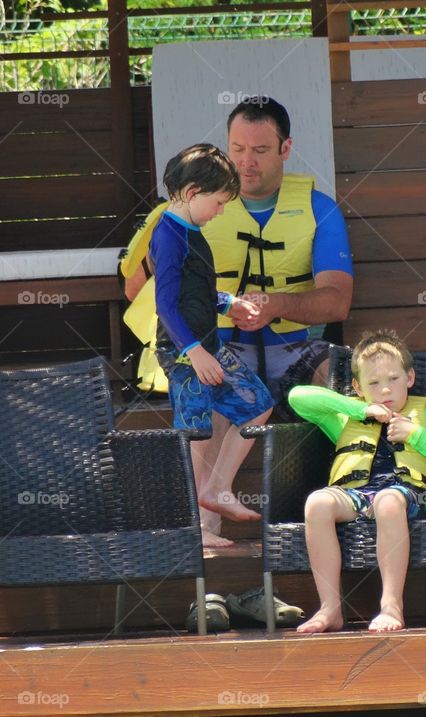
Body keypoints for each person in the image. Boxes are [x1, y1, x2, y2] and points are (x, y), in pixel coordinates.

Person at [193, 96, 354, 542]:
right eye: (237, 149)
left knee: (344, 377)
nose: (246, 162)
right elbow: (156, 287)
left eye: (260, 151)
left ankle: (353, 508)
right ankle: (205, 535)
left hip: (295, 349)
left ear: (285, 149)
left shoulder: (319, 209)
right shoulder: (199, 209)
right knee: (207, 379)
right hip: (224, 348)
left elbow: (338, 302)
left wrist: (277, 305)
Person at [287, 330, 426, 633]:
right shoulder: (348, 419)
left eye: (393, 379)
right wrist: (359, 409)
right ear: (357, 387)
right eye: (373, 383)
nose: (385, 390)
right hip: (355, 496)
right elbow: (298, 398)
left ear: (410, 378)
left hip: (405, 497)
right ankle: (330, 608)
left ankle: (391, 605)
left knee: (387, 501)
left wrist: (417, 435)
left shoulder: (424, 418)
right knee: (317, 503)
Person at [149, 143, 274, 548]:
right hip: (185, 353)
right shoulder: (168, 237)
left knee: (258, 405)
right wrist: (194, 352)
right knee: (196, 434)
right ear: (191, 193)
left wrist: (229, 302)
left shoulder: (193, 232)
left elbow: (197, 294)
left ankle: (218, 488)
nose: (221, 211)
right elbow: (166, 304)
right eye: (218, 202)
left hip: (207, 345)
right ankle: (193, 529)